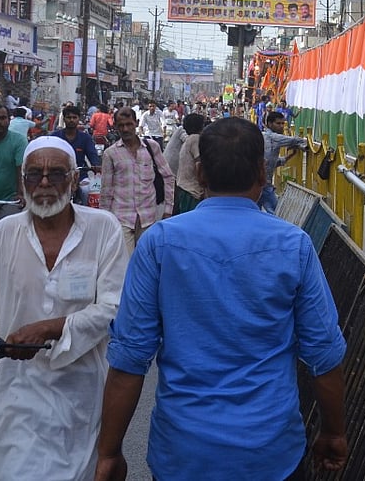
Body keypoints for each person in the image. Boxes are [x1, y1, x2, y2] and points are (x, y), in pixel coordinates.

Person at [95, 118, 348, 479]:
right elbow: (323, 354)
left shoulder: (159, 243)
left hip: (183, 453)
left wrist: (109, 452)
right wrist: (333, 432)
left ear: (200, 173)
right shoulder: (293, 245)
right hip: (271, 452)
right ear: (262, 172)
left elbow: (130, 359)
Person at [0, 135, 128, 478]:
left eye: (56, 174)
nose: (44, 183)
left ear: (74, 179)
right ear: (23, 182)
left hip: (83, 389)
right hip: (18, 388)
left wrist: (48, 328)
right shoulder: (2, 234)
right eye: (34, 174)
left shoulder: (103, 229)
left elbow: (114, 307)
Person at [102, 107, 174, 254]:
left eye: (129, 124)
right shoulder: (110, 153)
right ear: (116, 127)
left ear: (136, 123)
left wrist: (168, 210)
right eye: (121, 125)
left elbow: (168, 177)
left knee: (146, 262)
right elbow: (106, 190)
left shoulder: (152, 147)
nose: (125, 129)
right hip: (121, 218)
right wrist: (104, 220)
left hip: (148, 217)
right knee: (125, 263)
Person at [52, 104, 102, 204]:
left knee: (86, 191)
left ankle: (85, 210)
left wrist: (96, 165)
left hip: (81, 175)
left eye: (74, 117)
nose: (71, 120)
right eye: (69, 117)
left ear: (78, 119)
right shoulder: (55, 136)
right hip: (59, 175)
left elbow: (92, 154)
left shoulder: (85, 138)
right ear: (64, 119)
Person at [260, 109, 307, 213]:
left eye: (283, 123)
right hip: (263, 184)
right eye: (278, 123)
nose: (281, 126)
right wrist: (305, 143)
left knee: (263, 210)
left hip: (261, 184)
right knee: (278, 212)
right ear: (269, 124)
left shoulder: (266, 137)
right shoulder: (272, 137)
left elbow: (271, 162)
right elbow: (293, 140)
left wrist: (289, 156)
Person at [174, 113, 205, 215]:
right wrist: (203, 184)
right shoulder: (195, 139)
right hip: (191, 190)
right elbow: (199, 163)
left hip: (184, 187)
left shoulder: (188, 140)